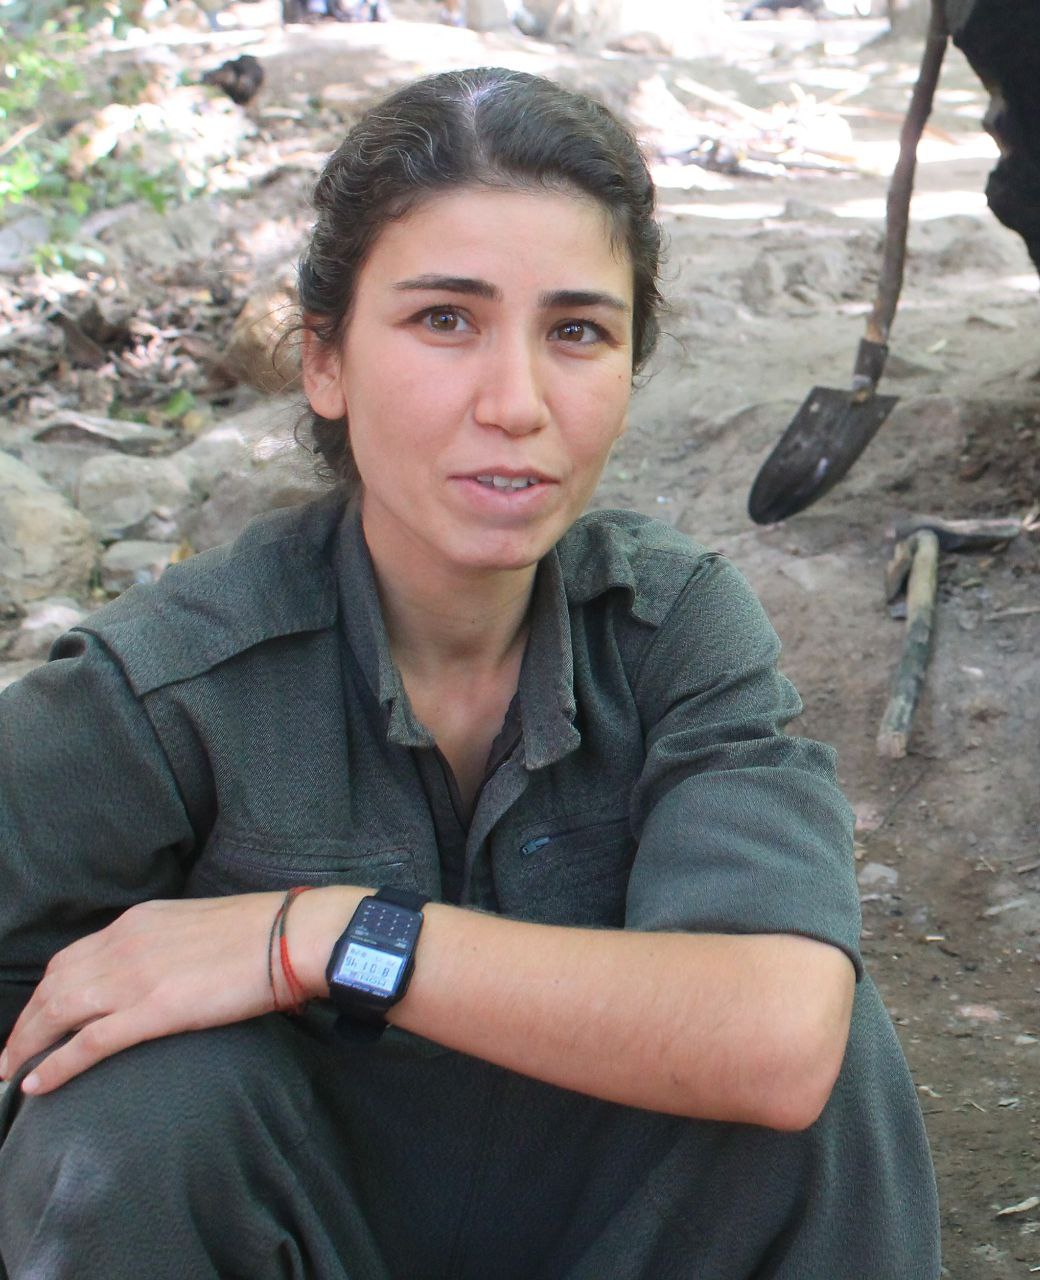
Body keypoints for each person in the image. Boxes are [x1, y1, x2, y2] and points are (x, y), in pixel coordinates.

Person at [0, 67, 940, 1279]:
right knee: (130, 1106)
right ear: (325, 361)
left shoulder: (671, 630)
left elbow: (778, 1036)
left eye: (576, 331)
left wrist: (323, 934)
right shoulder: (164, 688)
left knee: (821, 1050)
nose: (515, 402)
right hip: (287, 1228)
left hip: (608, 1224)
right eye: (444, 319)